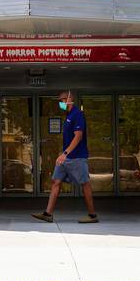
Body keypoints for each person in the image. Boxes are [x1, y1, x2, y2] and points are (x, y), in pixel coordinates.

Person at [32, 90, 98, 224]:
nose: (60, 103)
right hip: (65, 157)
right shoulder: (68, 116)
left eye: (61, 100)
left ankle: (92, 215)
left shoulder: (77, 114)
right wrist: (63, 154)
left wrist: (65, 153)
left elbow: (78, 136)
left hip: (77, 157)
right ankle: (48, 214)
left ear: (68, 100)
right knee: (56, 181)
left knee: (85, 184)